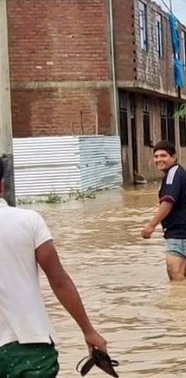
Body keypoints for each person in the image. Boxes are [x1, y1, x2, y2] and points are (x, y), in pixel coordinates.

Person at [0, 158, 109, 376]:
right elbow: (59, 280)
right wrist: (88, 331)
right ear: (2, 185)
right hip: (29, 347)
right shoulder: (28, 221)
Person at [141, 141, 186, 281]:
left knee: (176, 277)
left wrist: (151, 225)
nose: (159, 160)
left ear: (174, 157)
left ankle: (180, 303)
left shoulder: (173, 174)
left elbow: (167, 203)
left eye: (163, 156)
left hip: (179, 233)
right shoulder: (179, 172)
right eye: (156, 156)